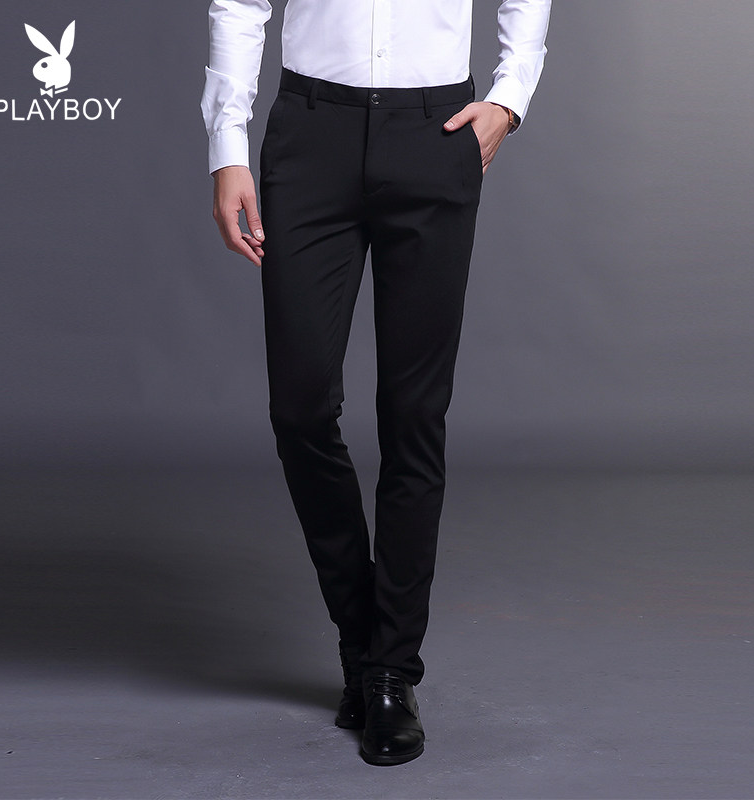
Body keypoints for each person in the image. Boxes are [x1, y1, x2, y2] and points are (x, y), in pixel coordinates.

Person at [201, 0, 551, 766]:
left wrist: (509, 98)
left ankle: (390, 673)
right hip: (312, 130)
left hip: (436, 132)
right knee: (300, 408)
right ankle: (363, 639)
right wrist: (227, 144)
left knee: (413, 414)